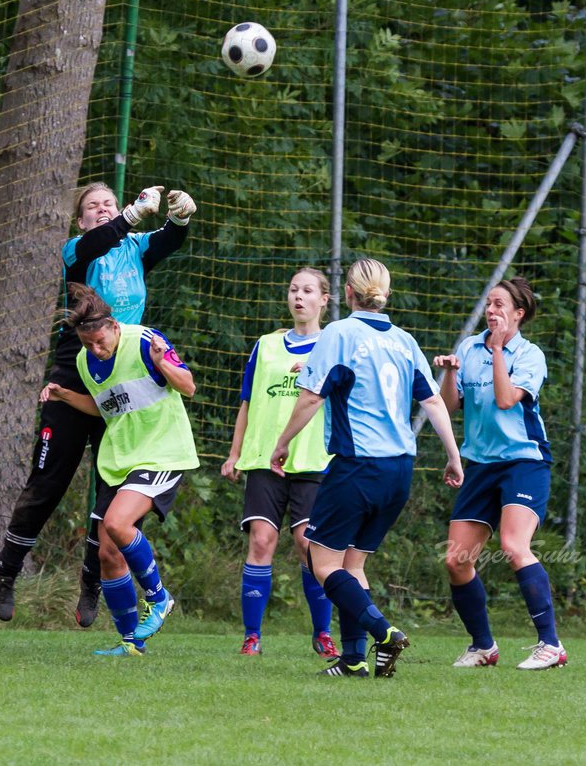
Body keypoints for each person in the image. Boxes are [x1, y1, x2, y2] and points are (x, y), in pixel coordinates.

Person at [0, 182, 197, 626]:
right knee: (50, 479)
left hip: (123, 374)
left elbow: (170, 238)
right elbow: (105, 237)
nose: (102, 210)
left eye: (108, 203)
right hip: (76, 370)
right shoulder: (78, 251)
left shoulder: (136, 248)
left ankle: (92, 585)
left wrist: (180, 215)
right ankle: (6, 572)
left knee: (114, 489)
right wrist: (129, 213)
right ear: (80, 220)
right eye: (93, 207)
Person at [270, 258, 463, 678]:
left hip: (358, 467)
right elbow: (431, 402)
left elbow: (311, 398)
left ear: (348, 294)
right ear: (386, 295)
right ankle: (354, 660)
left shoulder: (339, 333)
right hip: (400, 470)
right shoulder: (404, 340)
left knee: (321, 563)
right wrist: (453, 455)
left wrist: (281, 444)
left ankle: (383, 631)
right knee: (353, 565)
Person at [41, 284, 199, 656]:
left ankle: (159, 599)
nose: (94, 349)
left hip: (161, 452)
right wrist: (65, 395)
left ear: (113, 326)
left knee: (117, 524)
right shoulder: (85, 360)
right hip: (120, 460)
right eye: (87, 344)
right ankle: (131, 643)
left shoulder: (146, 341)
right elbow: (105, 407)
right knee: (107, 553)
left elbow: (188, 386)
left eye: (99, 340)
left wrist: (162, 364)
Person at [432, 276, 566, 670]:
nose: (491, 311)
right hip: (481, 465)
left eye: (500, 306)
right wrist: (452, 372)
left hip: (524, 461)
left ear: (518, 314)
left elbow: (507, 400)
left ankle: (551, 644)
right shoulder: (469, 348)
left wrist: (496, 352)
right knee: (457, 559)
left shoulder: (529, 355)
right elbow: (448, 406)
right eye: (489, 304)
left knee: (513, 545)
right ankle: (483, 647)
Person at [222, 268, 339, 658]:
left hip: (313, 461)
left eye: (308, 291)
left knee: (309, 546)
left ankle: (322, 633)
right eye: (293, 290)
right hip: (262, 460)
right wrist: (235, 452)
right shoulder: (266, 345)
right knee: (261, 541)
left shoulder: (335, 345)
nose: (299, 297)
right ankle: (252, 636)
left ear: (324, 299)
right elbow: (247, 401)